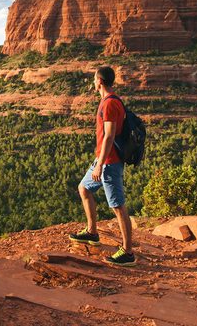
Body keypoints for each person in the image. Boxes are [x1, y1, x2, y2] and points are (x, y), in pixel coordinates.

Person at [69, 66, 135, 266]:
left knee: (117, 206)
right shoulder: (108, 100)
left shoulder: (109, 104)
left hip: (109, 162)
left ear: (99, 81)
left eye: (93, 79)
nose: (92, 82)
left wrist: (100, 165)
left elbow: (109, 135)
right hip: (102, 160)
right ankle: (92, 232)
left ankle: (127, 252)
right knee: (84, 188)